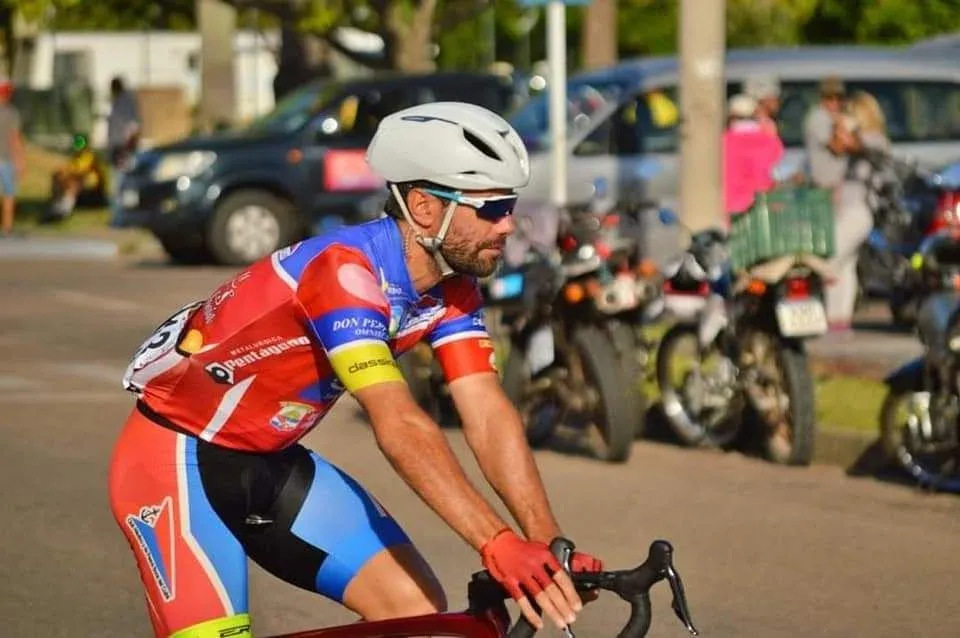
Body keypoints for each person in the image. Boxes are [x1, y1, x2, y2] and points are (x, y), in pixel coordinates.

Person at [108, 101, 602, 638]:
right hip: (176, 461)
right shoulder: (344, 274)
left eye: (511, 205)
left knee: (415, 612)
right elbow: (398, 421)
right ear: (425, 207)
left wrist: (547, 543)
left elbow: (485, 410)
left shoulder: (453, 286)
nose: (508, 224)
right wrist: (496, 542)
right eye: (492, 208)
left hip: (271, 461)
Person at [803, 76, 864, 332]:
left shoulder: (836, 119)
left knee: (846, 260)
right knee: (831, 256)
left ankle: (840, 318)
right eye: (830, 98)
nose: (835, 103)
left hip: (842, 194)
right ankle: (830, 315)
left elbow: (854, 145)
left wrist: (848, 129)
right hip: (825, 193)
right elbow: (838, 146)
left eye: (839, 98)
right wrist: (844, 127)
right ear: (822, 99)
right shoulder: (818, 118)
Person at [722, 94, 784, 218]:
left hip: (728, 208)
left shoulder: (721, 141)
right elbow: (776, 175)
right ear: (755, 114)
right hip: (762, 208)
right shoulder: (771, 141)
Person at [0, 79, 24, 237]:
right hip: (7, 160)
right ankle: (6, 228)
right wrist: (20, 161)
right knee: (9, 195)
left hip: (6, 159)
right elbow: (15, 138)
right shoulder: (12, 113)